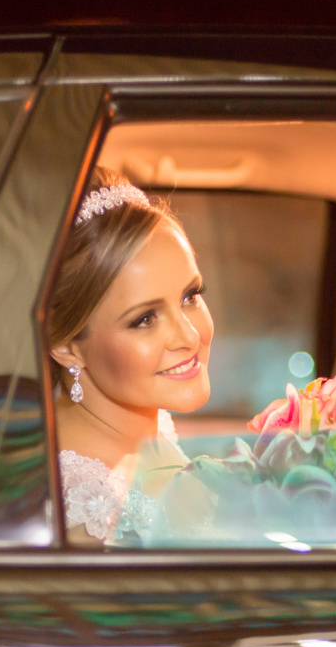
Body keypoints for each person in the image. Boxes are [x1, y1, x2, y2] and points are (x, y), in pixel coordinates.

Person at [47, 167, 214, 546]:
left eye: (190, 296)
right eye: (144, 319)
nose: (189, 336)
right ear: (67, 345)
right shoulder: (90, 515)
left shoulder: (145, 426)